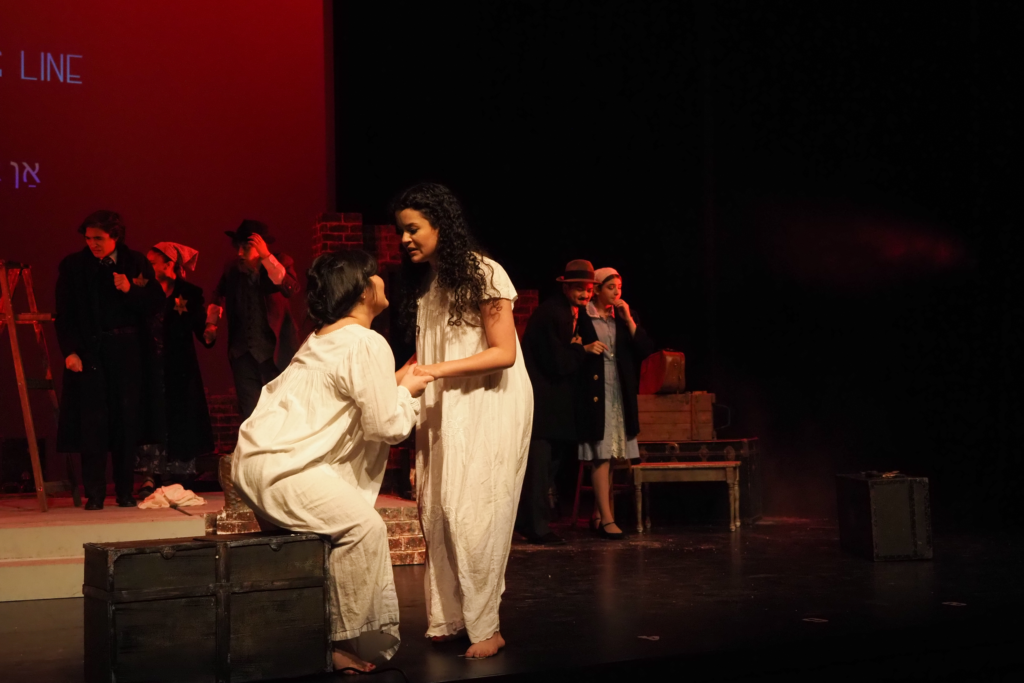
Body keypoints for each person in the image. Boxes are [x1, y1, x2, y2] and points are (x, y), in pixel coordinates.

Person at [232, 249, 432, 673]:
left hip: (253, 461)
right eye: (375, 275)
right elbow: (385, 424)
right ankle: (338, 644)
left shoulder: (321, 337)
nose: (382, 281)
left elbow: (355, 396)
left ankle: (300, 637)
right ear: (362, 290)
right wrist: (409, 393)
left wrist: (397, 382)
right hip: (285, 469)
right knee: (363, 528)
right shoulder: (366, 341)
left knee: (312, 547)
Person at [392, 182, 533, 659]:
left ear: (440, 225)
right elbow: (427, 354)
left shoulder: (485, 274)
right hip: (446, 404)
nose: (405, 239)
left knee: (472, 510)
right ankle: (450, 616)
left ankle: (487, 626)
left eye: (413, 229)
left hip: (489, 402)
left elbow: (504, 352)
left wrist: (433, 372)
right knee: (436, 507)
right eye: (401, 231)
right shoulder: (432, 286)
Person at [55, 210, 165, 510]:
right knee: (93, 423)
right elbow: (64, 314)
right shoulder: (74, 266)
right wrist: (70, 351)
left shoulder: (135, 262)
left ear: (115, 236)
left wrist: (130, 290)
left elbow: (156, 303)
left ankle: (125, 490)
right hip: (90, 352)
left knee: (126, 421)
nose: (93, 244)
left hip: (128, 352)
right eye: (88, 238)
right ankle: (95, 492)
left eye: (99, 238)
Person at [516, 260, 599, 544]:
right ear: (565, 287)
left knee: (549, 466)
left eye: (588, 289)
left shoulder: (573, 312)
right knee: (539, 470)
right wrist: (579, 349)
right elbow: (558, 363)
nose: (585, 294)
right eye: (579, 288)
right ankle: (536, 527)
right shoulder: (551, 313)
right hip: (543, 405)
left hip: (556, 407)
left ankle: (530, 523)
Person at [575, 267, 656, 539]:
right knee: (601, 454)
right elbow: (572, 350)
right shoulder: (583, 316)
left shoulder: (622, 317)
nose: (617, 292)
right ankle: (607, 519)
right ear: (597, 289)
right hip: (595, 392)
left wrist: (629, 319)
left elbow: (645, 350)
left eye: (619, 287)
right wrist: (584, 348)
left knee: (610, 455)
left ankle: (599, 514)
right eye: (611, 288)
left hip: (619, 391)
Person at [135, 242, 216, 497]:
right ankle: (149, 475)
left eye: (152, 262)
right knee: (150, 417)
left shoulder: (188, 293)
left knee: (179, 417)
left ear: (168, 264)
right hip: (148, 366)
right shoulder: (142, 289)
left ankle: (177, 474)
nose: (147, 267)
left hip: (178, 368)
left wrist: (211, 328)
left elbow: (202, 329)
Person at [206, 220, 300, 421]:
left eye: (246, 247)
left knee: (279, 412)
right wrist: (211, 324)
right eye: (238, 247)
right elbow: (218, 294)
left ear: (261, 246)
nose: (240, 253)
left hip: (274, 355)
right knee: (251, 415)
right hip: (242, 355)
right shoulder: (233, 269)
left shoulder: (280, 262)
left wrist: (266, 257)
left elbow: (289, 288)